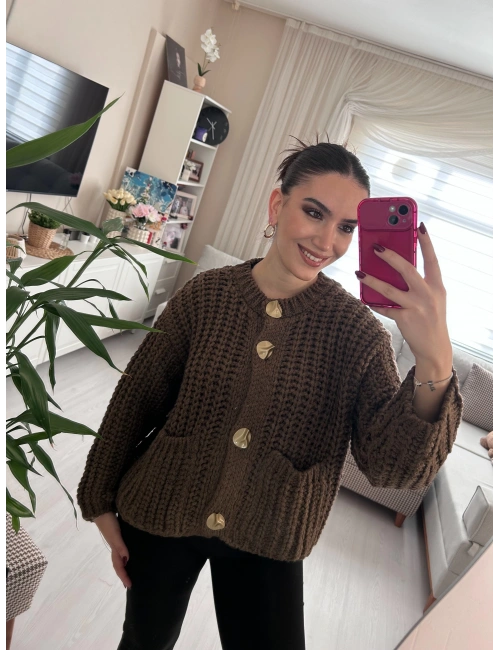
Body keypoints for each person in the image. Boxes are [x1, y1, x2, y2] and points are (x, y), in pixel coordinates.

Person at [76, 139, 463, 650]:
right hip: (163, 504)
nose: (327, 240)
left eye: (346, 227)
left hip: (273, 530)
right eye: (314, 212)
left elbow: (392, 470)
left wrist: (435, 362)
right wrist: (99, 496)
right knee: (144, 641)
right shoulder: (206, 296)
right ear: (277, 205)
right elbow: (137, 397)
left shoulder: (359, 335)